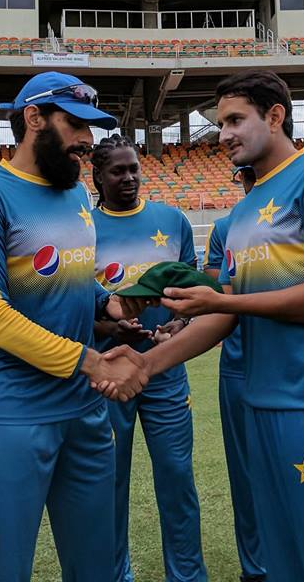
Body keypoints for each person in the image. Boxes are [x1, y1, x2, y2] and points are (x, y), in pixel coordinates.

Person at [100, 69, 304, 582]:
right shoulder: (246, 207)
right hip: (261, 404)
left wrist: (229, 301)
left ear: (275, 116)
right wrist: (144, 363)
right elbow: (221, 312)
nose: (222, 134)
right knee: (283, 561)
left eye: (234, 120)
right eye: (220, 122)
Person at [0, 71, 149, 582]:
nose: (88, 140)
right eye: (75, 123)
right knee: (0, 566)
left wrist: (116, 307)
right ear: (33, 118)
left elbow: (80, 281)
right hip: (12, 410)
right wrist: (91, 361)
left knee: (95, 562)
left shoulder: (78, 195)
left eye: (92, 126)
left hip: (84, 406)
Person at [89, 134, 207, 582]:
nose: (129, 178)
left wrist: (177, 326)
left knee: (177, 478)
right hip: (109, 374)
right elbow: (79, 302)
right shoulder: (82, 229)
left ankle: (188, 575)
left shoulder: (172, 221)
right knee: (109, 482)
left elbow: (193, 294)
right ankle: (115, 574)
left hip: (167, 370)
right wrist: (110, 327)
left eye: (134, 168)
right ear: (97, 176)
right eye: (118, 171)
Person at [202, 165, 266, 582]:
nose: (251, 182)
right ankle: (256, 569)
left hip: (292, 367)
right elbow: (217, 297)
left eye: (256, 175)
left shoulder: (298, 213)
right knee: (245, 478)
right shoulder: (226, 226)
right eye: (245, 176)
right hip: (240, 366)